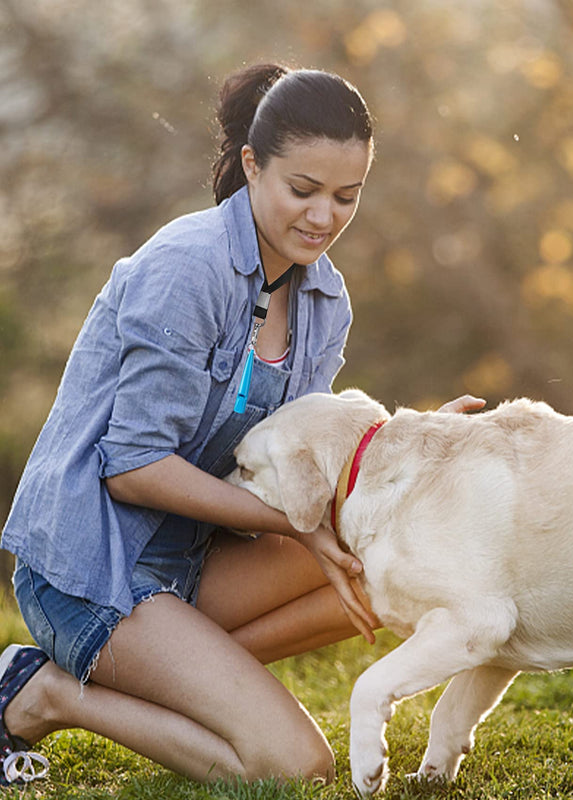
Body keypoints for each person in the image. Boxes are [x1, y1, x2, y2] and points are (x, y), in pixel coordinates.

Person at [0, 62, 483, 787]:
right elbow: (132, 468)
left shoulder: (326, 299)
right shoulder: (185, 269)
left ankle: (186, 672)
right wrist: (296, 525)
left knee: (391, 547)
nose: (324, 217)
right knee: (292, 767)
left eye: (346, 197)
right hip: (94, 568)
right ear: (253, 166)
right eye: (303, 191)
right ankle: (43, 693)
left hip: (198, 561)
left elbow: (302, 447)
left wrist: (412, 447)